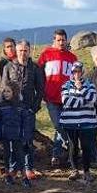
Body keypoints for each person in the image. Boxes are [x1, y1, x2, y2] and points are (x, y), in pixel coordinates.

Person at [1, 39, 44, 180]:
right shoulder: (8, 67)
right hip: (13, 110)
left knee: (27, 140)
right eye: (20, 50)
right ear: (16, 51)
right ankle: (13, 168)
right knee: (13, 141)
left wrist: (34, 108)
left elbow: (40, 90)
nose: (23, 53)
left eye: (25, 51)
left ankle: (28, 168)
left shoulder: (36, 68)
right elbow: (4, 89)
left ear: (29, 51)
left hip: (28, 110)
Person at [38, 29, 78, 167]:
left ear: (67, 40)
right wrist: (42, 92)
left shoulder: (72, 58)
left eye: (63, 40)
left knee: (61, 127)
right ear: (54, 40)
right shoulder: (46, 55)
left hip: (67, 99)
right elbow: (39, 75)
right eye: (58, 40)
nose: (61, 42)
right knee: (59, 125)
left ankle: (56, 155)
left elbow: (76, 78)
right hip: (51, 98)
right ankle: (71, 146)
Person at [60, 61, 97, 182]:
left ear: (82, 72)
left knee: (86, 147)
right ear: (71, 72)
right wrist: (83, 101)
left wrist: (80, 88)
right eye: (74, 71)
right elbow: (66, 101)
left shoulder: (90, 85)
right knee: (73, 146)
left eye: (79, 71)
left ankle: (86, 171)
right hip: (70, 122)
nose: (76, 74)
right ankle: (74, 169)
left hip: (87, 122)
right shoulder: (66, 85)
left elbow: (93, 99)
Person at [0, 82, 34, 187]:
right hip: (5, 137)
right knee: (7, 157)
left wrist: (26, 137)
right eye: (4, 91)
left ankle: (24, 177)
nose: (6, 94)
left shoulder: (21, 107)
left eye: (8, 91)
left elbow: (26, 124)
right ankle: (8, 176)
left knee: (20, 156)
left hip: (18, 137)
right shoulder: (1, 107)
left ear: (14, 92)